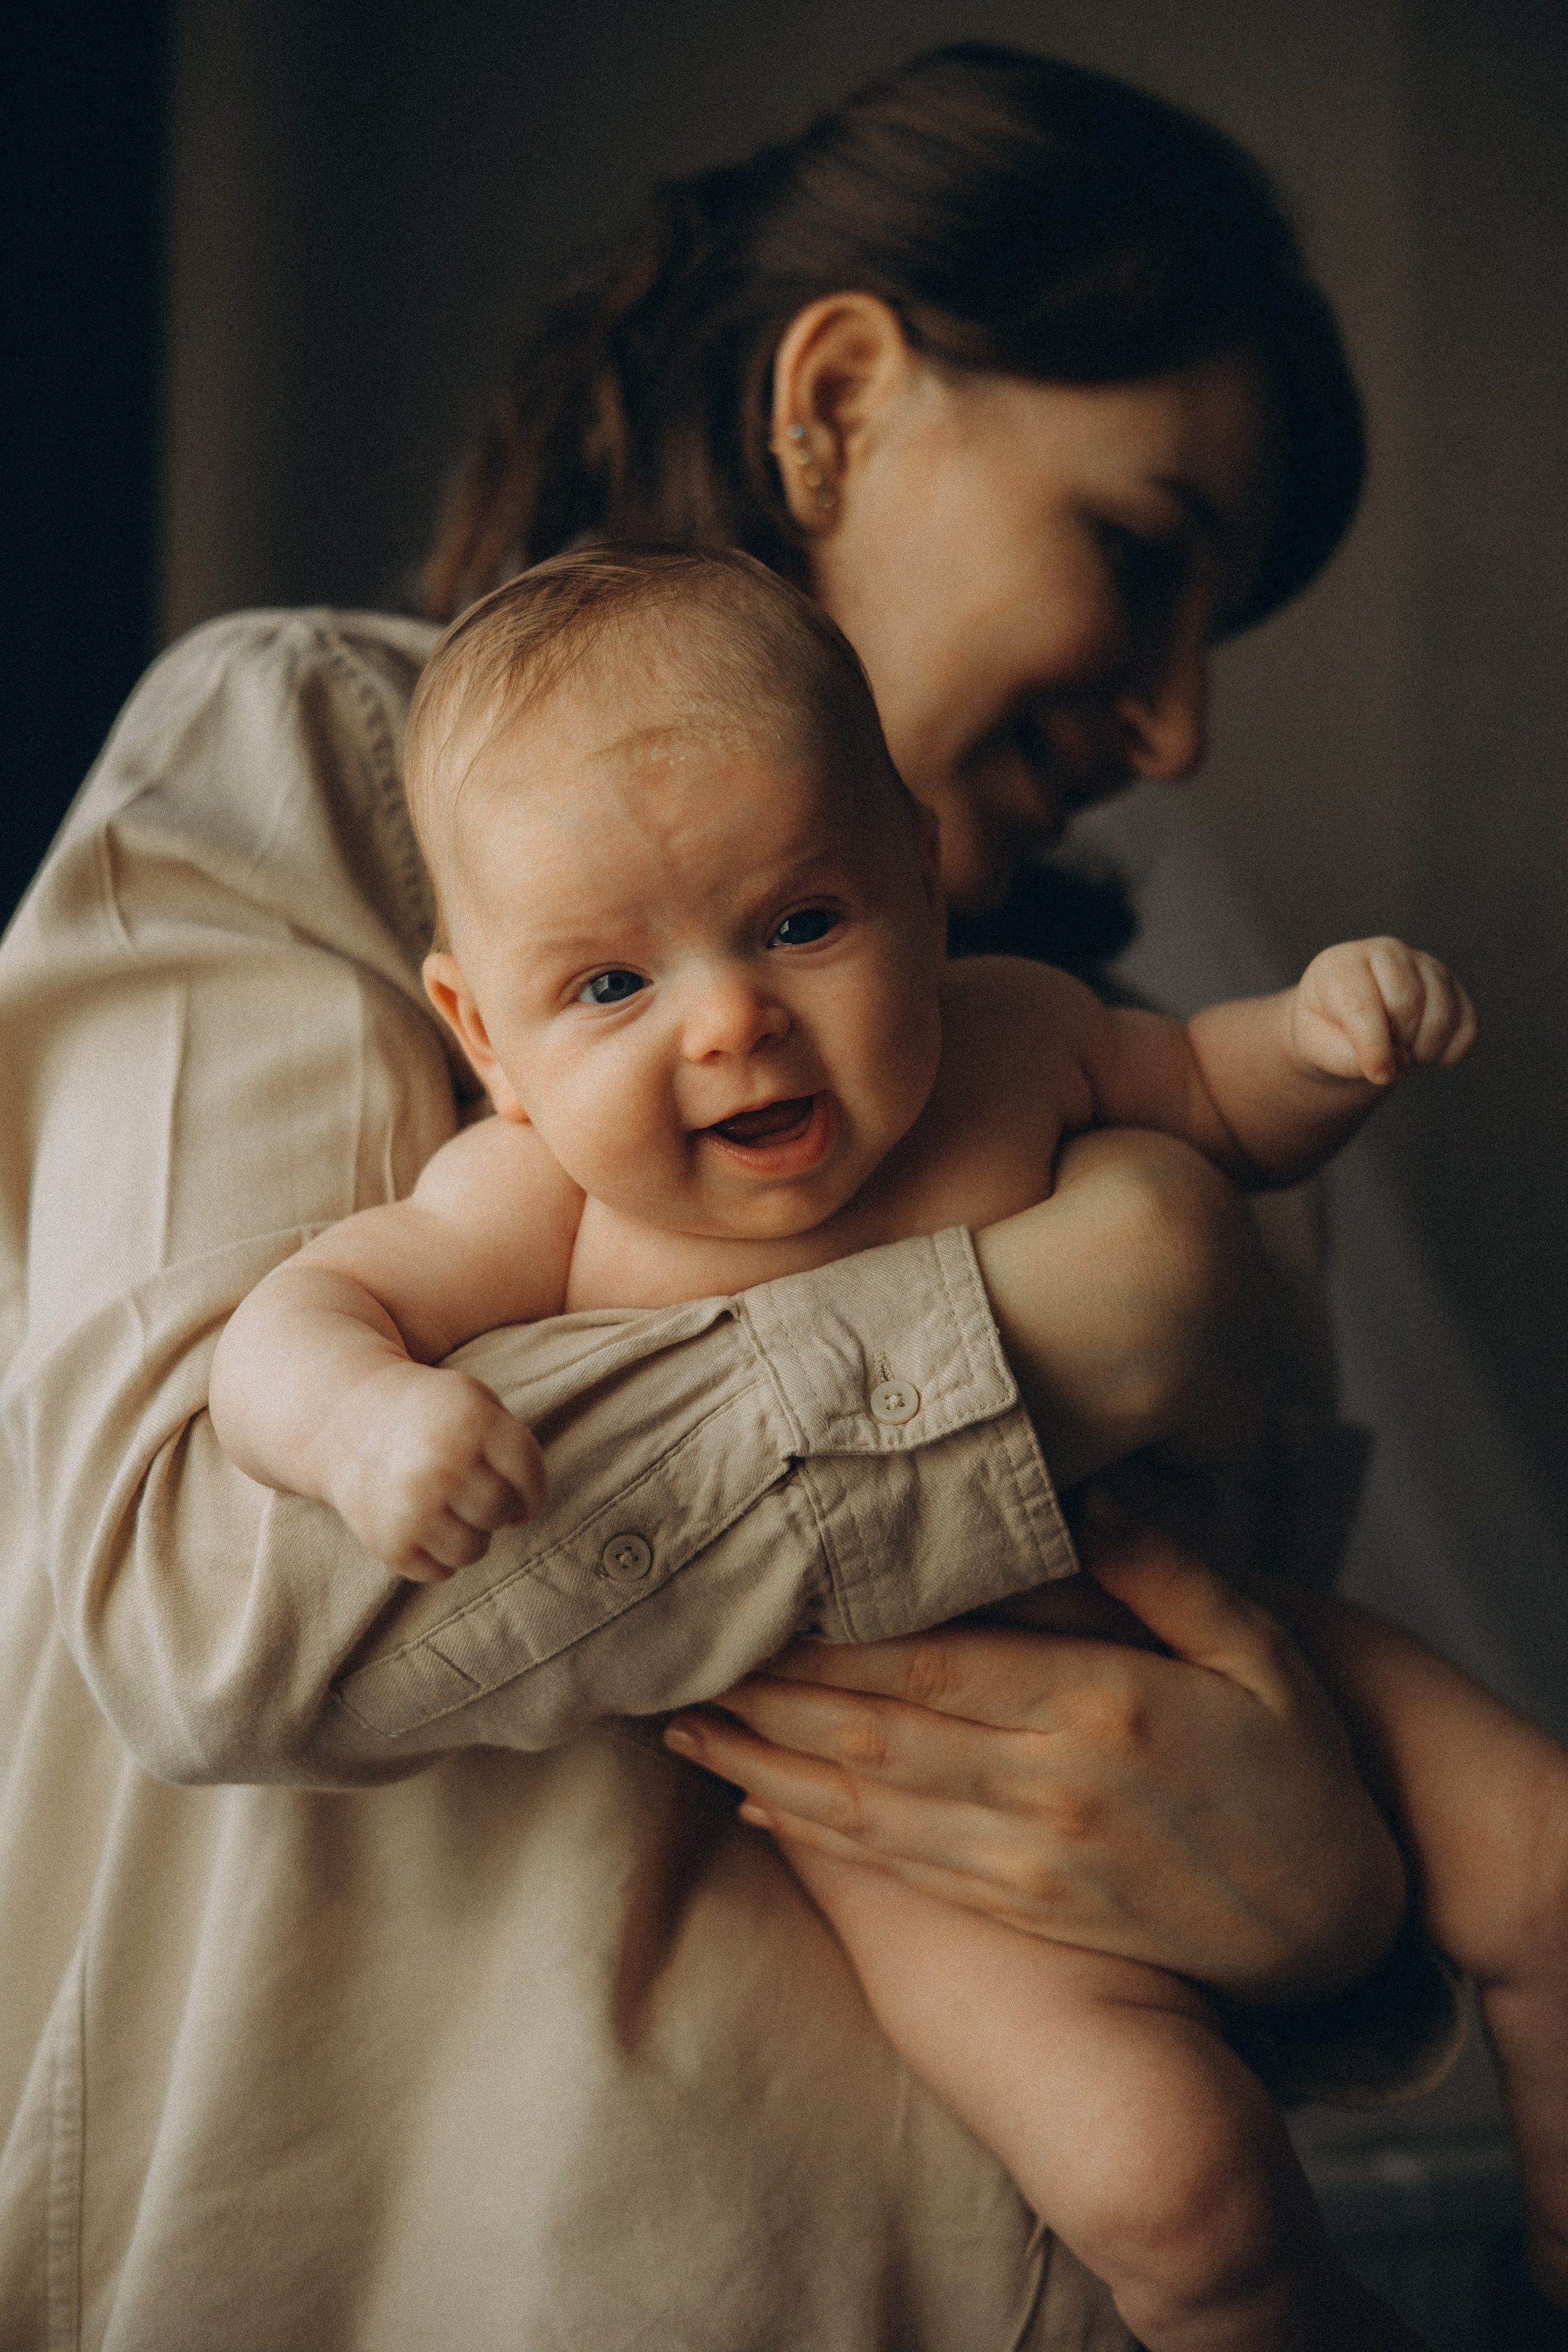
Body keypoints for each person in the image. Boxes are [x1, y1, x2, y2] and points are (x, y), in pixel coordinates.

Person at [4, 40, 1556, 2351]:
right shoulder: (316, 762)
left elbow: (1155, 1736)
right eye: (1141, 557)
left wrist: (1323, 1925)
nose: (1178, 728)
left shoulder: (1090, 1059)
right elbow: (198, 1598)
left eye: (1218, 631)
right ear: (836, 400)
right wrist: (1040, 1336)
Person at [205, 543, 1514, 2352]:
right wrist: (366, 1421)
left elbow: (1221, 1093)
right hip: (911, 1818)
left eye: (802, 923)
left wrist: (1322, 1039)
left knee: (1547, 1853)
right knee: (1182, 2191)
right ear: (483, 1035)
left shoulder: (1019, 1039)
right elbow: (290, 1324)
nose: (730, 1018)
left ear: (916, 872)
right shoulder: (537, 1198)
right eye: (610, 986)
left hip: (1220, 1633)